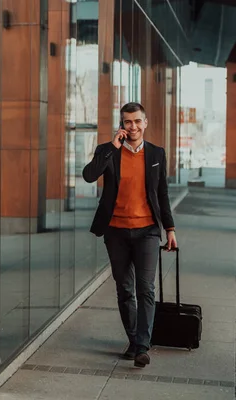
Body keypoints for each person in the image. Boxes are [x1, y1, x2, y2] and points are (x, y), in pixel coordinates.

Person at [82, 102, 178, 368]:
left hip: (147, 230)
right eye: (127, 122)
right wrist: (112, 148)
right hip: (115, 232)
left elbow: (162, 193)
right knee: (124, 289)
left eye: (137, 121)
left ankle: (142, 346)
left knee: (145, 288)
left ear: (145, 123)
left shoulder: (156, 153)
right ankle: (135, 340)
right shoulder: (107, 151)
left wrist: (169, 229)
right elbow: (89, 176)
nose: (133, 126)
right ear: (121, 125)